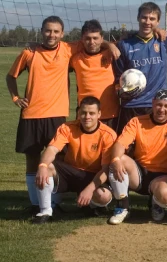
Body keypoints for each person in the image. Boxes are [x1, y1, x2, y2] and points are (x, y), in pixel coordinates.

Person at [7, 16, 106, 215]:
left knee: (58, 160)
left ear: (62, 34)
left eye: (56, 32)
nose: (51, 35)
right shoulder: (29, 52)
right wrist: (16, 98)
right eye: (48, 31)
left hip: (57, 114)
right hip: (31, 114)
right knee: (33, 160)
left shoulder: (69, 49)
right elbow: (11, 76)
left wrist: (111, 47)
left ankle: (54, 202)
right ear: (41, 31)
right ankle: (36, 203)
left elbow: (96, 40)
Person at [105, 89, 167, 225]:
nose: (161, 109)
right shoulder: (137, 122)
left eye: (166, 106)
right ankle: (122, 206)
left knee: (165, 195)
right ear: (152, 104)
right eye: (159, 105)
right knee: (119, 159)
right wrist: (115, 160)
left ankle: (156, 203)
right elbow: (120, 144)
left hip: (164, 175)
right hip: (139, 173)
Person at [113, 1, 167, 133]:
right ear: (138, 18)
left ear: (158, 22)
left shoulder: (165, 40)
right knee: (128, 148)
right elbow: (118, 76)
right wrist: (121, 91)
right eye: (144, 17)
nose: (147, 22)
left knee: (156, 148)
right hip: (132, 105)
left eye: (152, 19)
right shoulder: (124, 45)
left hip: (156, 105)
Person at [32, 97, 116, 223]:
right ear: (78, 113)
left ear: (99, 114)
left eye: (91, 113)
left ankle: (92, 206)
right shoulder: (67, 127)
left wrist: (90, 189)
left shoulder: (108, 134)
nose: (87, 116)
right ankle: (45, 212)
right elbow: (51, 149)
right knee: (47, 166)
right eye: (83, 112)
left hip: (94, 175)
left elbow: (105, 169)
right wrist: (42, 165)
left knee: (103, 196)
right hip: (70, 172)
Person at [70, 20, 119, 129]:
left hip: (110, 115)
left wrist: (109, 44)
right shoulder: (75, 59)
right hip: (86, 115)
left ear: (102, 38)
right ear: (82, 39)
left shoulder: (111, 54)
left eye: (95, 38)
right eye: (87, 38)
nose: (91, 42)